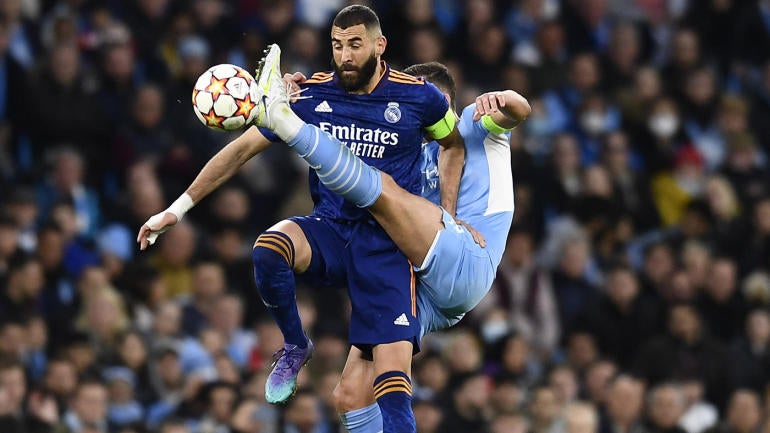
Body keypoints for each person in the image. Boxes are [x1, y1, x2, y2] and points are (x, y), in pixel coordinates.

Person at [137, 5, 466, 433]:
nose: (344, 55)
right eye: (336, 45)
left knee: (391, 387)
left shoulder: (419, 96)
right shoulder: (310, 95)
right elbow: (241, 150)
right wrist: (176, 208)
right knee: (270, 248)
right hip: (330, 228)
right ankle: (295, 344)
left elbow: (454, 146)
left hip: (387, 246)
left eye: (354, 45)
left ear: (379, 45)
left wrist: (449, 220)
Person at [249, 54, 528, 432]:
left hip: (466, 258)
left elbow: (518, 109)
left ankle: (288, 124)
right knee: (350, 393)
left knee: (381, 193)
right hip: (426, 284)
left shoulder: (471, 125)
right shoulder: (404, 149)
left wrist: (502, 97)